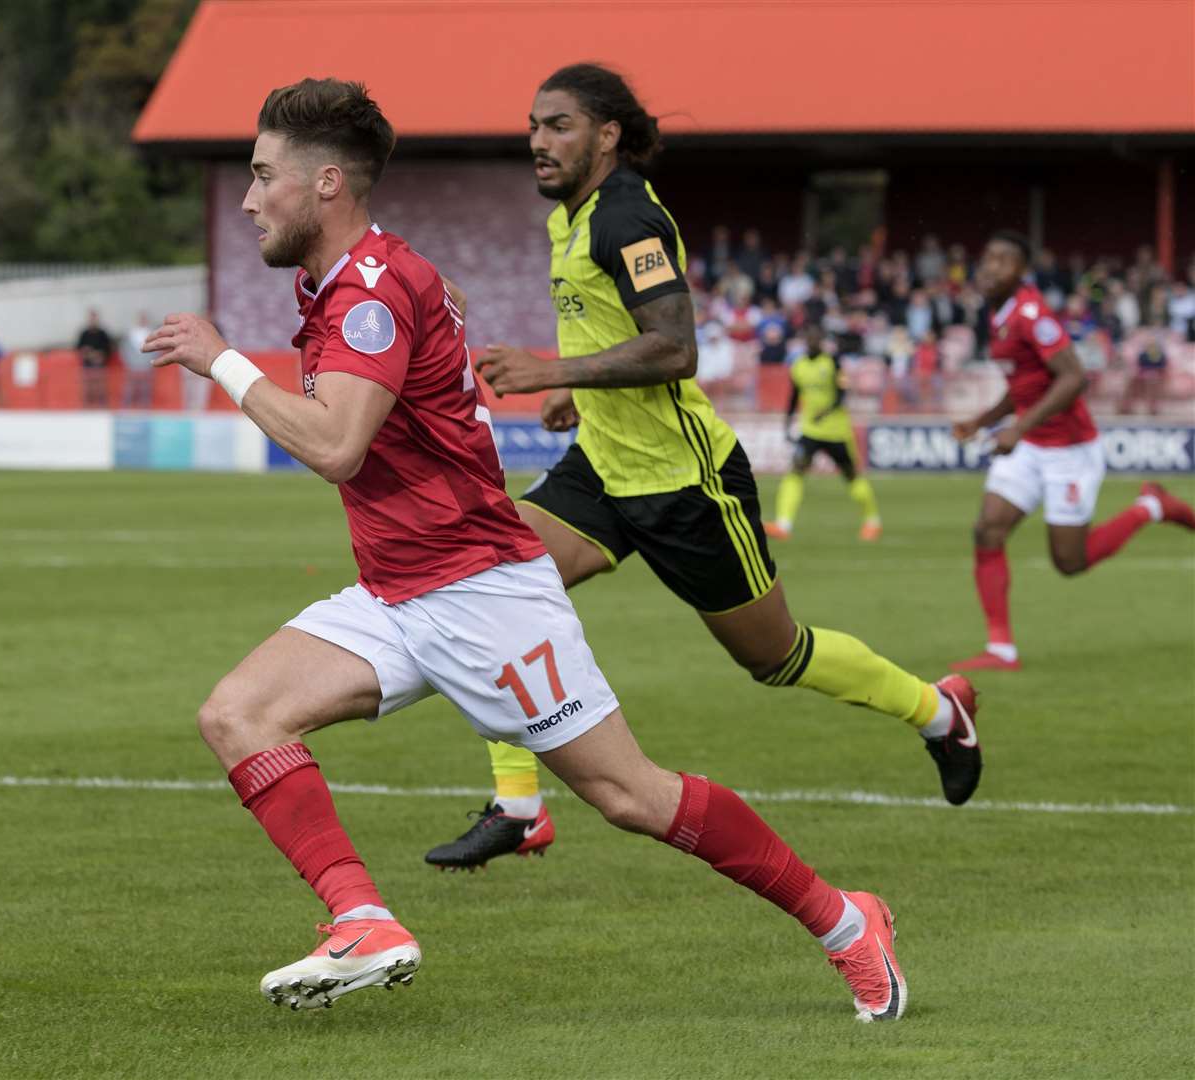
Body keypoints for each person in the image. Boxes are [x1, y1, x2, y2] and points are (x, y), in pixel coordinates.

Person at [143, 75, 906, 1023]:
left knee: (632, 797)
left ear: (327, 183)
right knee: (238, 714)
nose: (250, 198)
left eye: (263, 177)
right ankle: (363, 919)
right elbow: (431, 323)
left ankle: (845, 923)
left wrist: (222, 358)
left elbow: (338, 447)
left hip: (482, 594)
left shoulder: (372, 295)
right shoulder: (362, 276)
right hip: (399, 591)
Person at [461, 63, 978, 878]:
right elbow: (613, 333)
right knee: (484, 582)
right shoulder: (573, 216)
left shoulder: (626, 218)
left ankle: (936, 709)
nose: (537, 140)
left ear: (607, 135)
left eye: (557, 124)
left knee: (775, 657)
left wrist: (556, 374)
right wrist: (582, 397)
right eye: (532, 124)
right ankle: (519, 806)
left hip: (683, 483)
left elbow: (676, 347)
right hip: (602, 468)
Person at [949, 232, 1194, 672]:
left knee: (1069, 561)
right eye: (986, 258)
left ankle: (1150, 507)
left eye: (1003, 261)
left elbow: (1074, 377)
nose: (989, 267)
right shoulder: (997, 313)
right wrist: (984, 421)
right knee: (988, 529)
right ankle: (1001, 649)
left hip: (1069, 450)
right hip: (1031, 445)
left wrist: (1016, 427)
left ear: (1022, 272)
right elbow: (1024, 385)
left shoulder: (1031, 314)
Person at [767, 323, 881, 541]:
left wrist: (826, 411)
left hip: (836, 432)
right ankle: (783, 524)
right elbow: (794, 395)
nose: (811, 342)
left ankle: (872, 521)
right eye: (808, 339)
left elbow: (842, 393)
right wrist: (787, 422)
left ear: (821, 341)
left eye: (815, 339)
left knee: (851, 476)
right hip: (810, 431)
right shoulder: (798, 365)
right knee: (795, 472)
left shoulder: (833, 363)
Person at [76, 308, 114, 408]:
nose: (93, 320)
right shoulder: (84, 334)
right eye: (91, 318)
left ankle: (102, 405)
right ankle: (87, 405)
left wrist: (99, 355)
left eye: (94, 317)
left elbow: (108, 349)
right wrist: (88, 354)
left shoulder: (103, 334)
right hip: (87, 365)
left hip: (100, 365)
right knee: (88, 387)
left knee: (100, 387)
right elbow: (79, 349)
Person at [121, 311, 154, 409]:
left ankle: (145, 406)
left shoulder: (150, 332)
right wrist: (128, 362)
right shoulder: (131, 332)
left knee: (146, 386)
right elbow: (125, 349)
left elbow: (155, 350)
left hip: (146, 365)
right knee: (130, 386)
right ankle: (126, 406)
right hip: (132, 364)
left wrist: (151, 362)